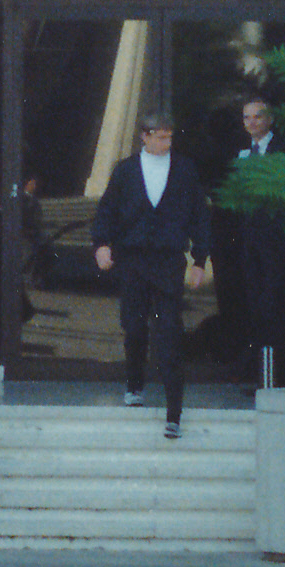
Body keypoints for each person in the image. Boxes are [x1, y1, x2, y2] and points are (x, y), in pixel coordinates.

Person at [90, 109, 213, 439]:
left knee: (170, 331)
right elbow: (107, 211)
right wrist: (102, 244)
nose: (166, 141)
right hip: (132, 260)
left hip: (168, 260)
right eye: (159, 136)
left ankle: (174, 412)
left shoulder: (184, 170)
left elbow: (199, 215)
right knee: (133, 326)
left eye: (169, 136)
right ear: (144, 136)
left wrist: (199, 259)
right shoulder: (126, 171)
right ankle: (134, 385)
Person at [224, 94, 285, 381]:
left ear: (269, 120)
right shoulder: (244, 153)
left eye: (257, 116)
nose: (251, 122)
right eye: (246, 117)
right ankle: (258, 371)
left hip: (277, 242)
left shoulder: (283, 151)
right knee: (255, 305)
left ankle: (277, 373)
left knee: (273, 305)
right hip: (250, 241)